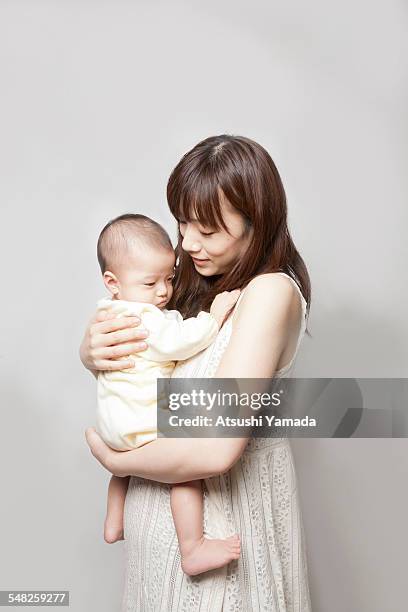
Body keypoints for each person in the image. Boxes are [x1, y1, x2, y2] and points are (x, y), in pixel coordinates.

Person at [80, 134, 313, 610]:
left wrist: (119, 463)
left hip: (223, 531)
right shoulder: (183, 283)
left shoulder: (269, 292)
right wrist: (92, 353)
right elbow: (152, 378)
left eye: (208, 230)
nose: (188, 243)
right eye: (183, 223)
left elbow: (214, 446)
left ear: (256, 223)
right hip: (157, 536)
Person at [94, 212, 241, 575]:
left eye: (169, 278)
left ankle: (114, 521)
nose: (163, 291)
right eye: (150, 283)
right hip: (142, 417)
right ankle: (193, 547)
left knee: (125, 467)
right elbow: (182, 341)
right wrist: (215, 316)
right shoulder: (146, 319)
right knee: (184, 472)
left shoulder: (108, 312)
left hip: (115, 424)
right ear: (113, 282)